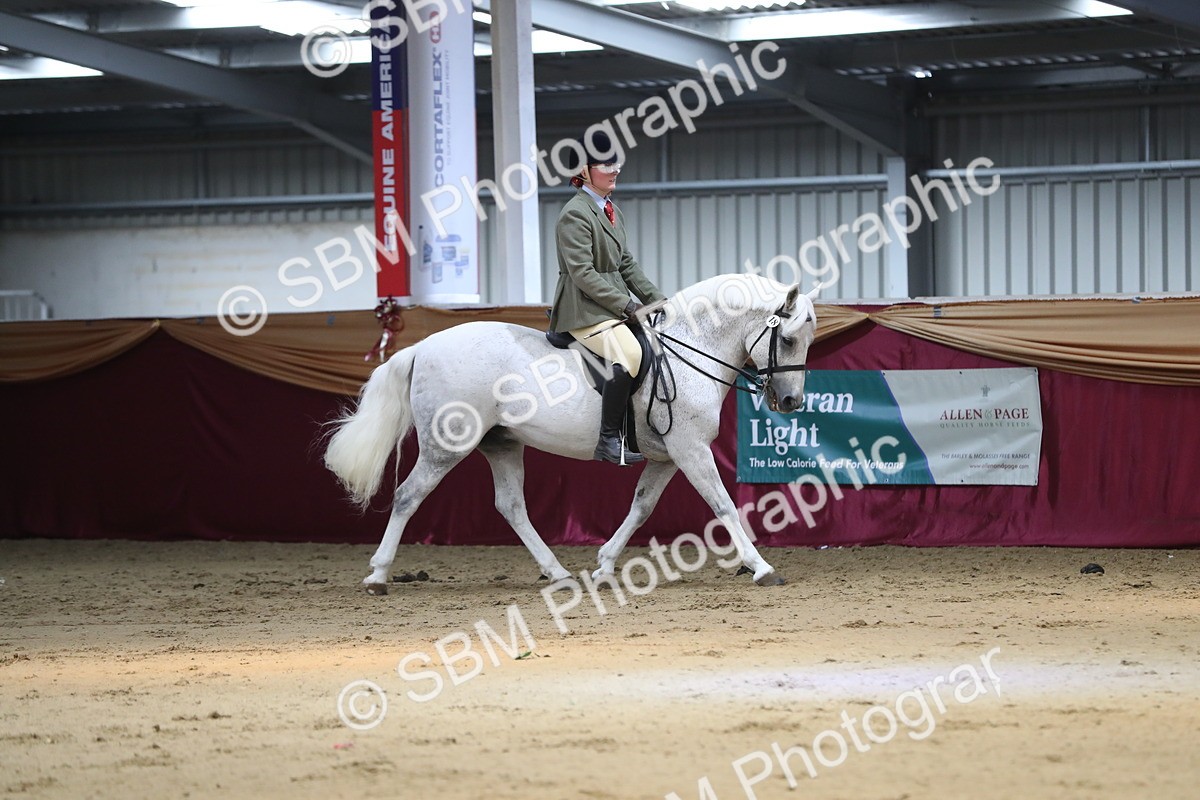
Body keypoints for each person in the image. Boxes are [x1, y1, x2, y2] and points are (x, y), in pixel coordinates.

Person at [548, 132, 667, 465]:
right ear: (585, 171)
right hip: (583, 309)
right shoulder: (575, 214)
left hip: (609, 306)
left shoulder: (611, 210)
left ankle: (637, 430)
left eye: (617, 164)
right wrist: (627, 305)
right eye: (606, 165)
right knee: (628, 354)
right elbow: (583, 274)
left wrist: (659, 301)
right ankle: (609, 439)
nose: (615, 170)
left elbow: (626, 263)